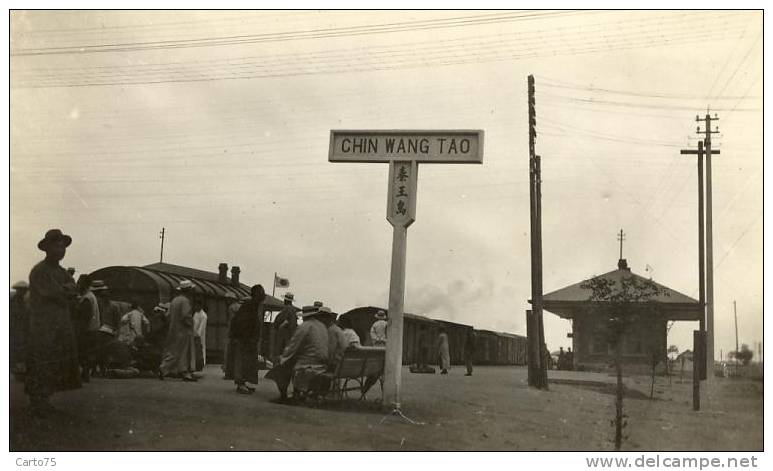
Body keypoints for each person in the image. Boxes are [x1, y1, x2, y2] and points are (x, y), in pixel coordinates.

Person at [25, 229, 81, 415]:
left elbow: (74, 291)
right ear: (47, 248)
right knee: (42, 360)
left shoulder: (62, 272)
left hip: (60, 324)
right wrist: (66, 291)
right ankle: (37, 401)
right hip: (44, 325)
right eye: (57, 245)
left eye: (63, 246)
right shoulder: (40, 270)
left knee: (56, 361)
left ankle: (44, 400)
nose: (62, 249)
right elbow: (53, 293)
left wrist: (66, 290)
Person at [266, 303, 329, 404]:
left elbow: (293, 346)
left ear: (305, 316)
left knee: (281, 367)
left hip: (309, 363)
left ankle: (284, 396)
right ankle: (297, 393)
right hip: (322, 362)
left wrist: (282, 357)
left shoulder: (305, 326)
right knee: (290, 363)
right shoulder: (322, 326)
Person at [227, 285, 265, 394]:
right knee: (241, 361)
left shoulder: (255, 305)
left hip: (248, 339)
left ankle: (244, 383)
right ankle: (240, 384)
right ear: (256, 294)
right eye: (261, 293)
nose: (263, 295)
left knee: (248, 361)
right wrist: (247, 338)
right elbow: (241, 322)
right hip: (244, 339)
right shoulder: (249, 305)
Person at [158, 280, 197, 382]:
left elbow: (168, 316)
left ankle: (180, 371)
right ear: (188, 290)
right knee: (183, 352)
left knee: (174, 351)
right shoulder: (185, 301)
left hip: (173, 329)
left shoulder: (174, 300)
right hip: (183, 330)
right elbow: (186, 315)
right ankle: (169, 369)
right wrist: (190, 324)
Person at [10, 281, 30, 377]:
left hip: (21, 327)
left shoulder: (22, 301)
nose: (24, 292)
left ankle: (19, 369)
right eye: (22, 290)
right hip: (16, 327)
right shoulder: (14, 301)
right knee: (17, 348)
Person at [272, 292, 298, 364]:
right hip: (289, 337)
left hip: (283, 337)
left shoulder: (288, 310)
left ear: (286, 301)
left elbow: (286, 322)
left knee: (281, 355)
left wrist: (280, 328)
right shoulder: (292, 310)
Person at [222, 292, 241, 379]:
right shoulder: (239, 306)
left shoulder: (231, 308)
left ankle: (228, 373)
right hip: (238, 333)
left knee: (229, 354)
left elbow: (232, 321)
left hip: (232, 333)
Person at [192, 298, 208, 372]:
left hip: (199, 336)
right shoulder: (196, 313)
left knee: (200, 349)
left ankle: (199, 365)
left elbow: (202, 327)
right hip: (193, 334)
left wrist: (197, 334)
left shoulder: (203, 315)